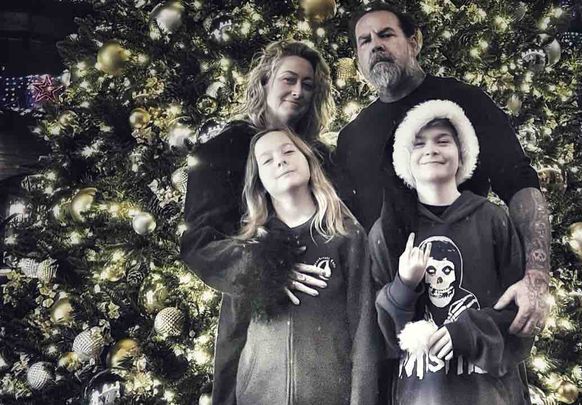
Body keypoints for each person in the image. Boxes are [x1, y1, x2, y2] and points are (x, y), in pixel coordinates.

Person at [334, 3, 550, 338]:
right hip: (391, 313)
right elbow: (347, 233)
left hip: (472, 305)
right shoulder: (352, 137)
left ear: (414, 41)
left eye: (386, 35)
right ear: (358, 58)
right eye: (365, 41)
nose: (376, 45)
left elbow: (519, 182)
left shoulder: (465, 101)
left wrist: (536, 276)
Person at [180, 41, 368, 404]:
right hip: (254, 317)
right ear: (265, 81)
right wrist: (268, 266)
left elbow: (347, 237)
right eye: (288, 79)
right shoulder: (224, 149)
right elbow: (198, 243)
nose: (298, 91)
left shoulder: (322, 158)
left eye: (308, 84)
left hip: (325, 340)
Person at [372, 100, 533, 404]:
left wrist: (467, 333)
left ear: (462, 154)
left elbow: (519, 315)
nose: (431, 150)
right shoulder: (387, 231)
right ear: (405, 158)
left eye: (442, 141)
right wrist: (403, 287)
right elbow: (379, 335)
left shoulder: (493, 219)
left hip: (488, 395)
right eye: (419, 143)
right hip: (420, 395)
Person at [225, 128, 378, 404]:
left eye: (287, 151)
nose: (280, 161)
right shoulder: (249, 247)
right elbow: (232, 333)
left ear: (308, 160)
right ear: (259, 181)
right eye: (267, 160)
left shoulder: (346, 236)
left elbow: (364, 329)